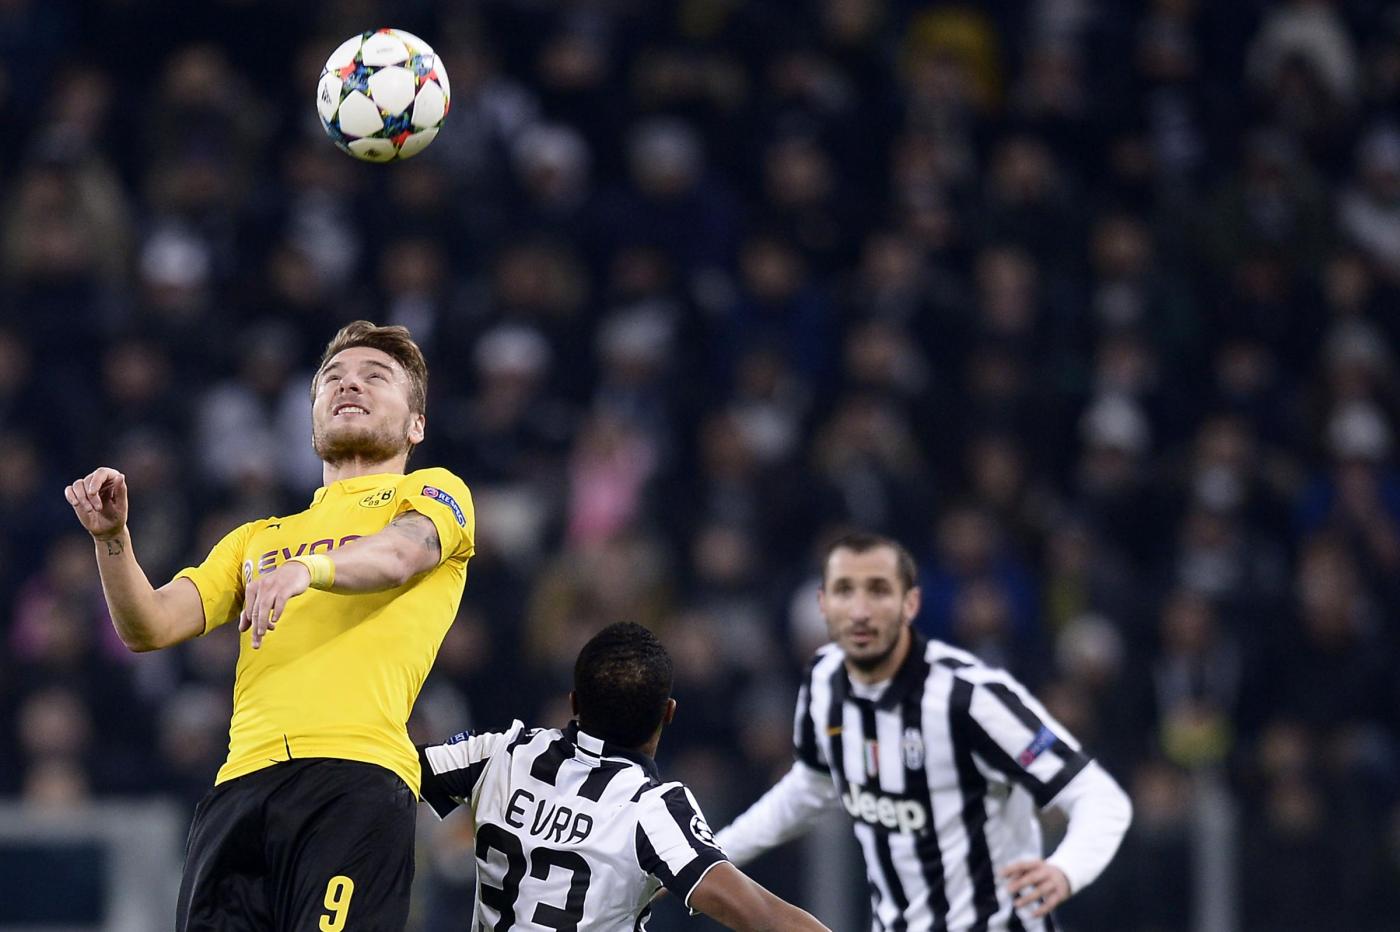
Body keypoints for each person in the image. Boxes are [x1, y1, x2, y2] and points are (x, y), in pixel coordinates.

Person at [64, 321, 475, 932]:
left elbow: (400, 555)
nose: (348, 385)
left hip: (353, 780)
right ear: (311, 422)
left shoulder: (431, 493)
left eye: (375, 377)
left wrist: (309, 569)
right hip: (239, 790)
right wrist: (111, 540)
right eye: (332, 378)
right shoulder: (257, 539)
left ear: (416, 424)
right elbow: (149, 625)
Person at [713, 532, 1133, 931]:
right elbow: (810, 786)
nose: (860, 611)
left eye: (878, 591)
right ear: (823, 604)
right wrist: (710, 858)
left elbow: (1099, 798)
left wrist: (1066, 869)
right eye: (845, 591)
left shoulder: (970, 700)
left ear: (910, 603)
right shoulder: (825, 683)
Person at [418, 621, 830, 932]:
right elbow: (758, 913)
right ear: (668, 712)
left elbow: (391, 771)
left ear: (574, 702)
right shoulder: (651, 809)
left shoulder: (501, 752)